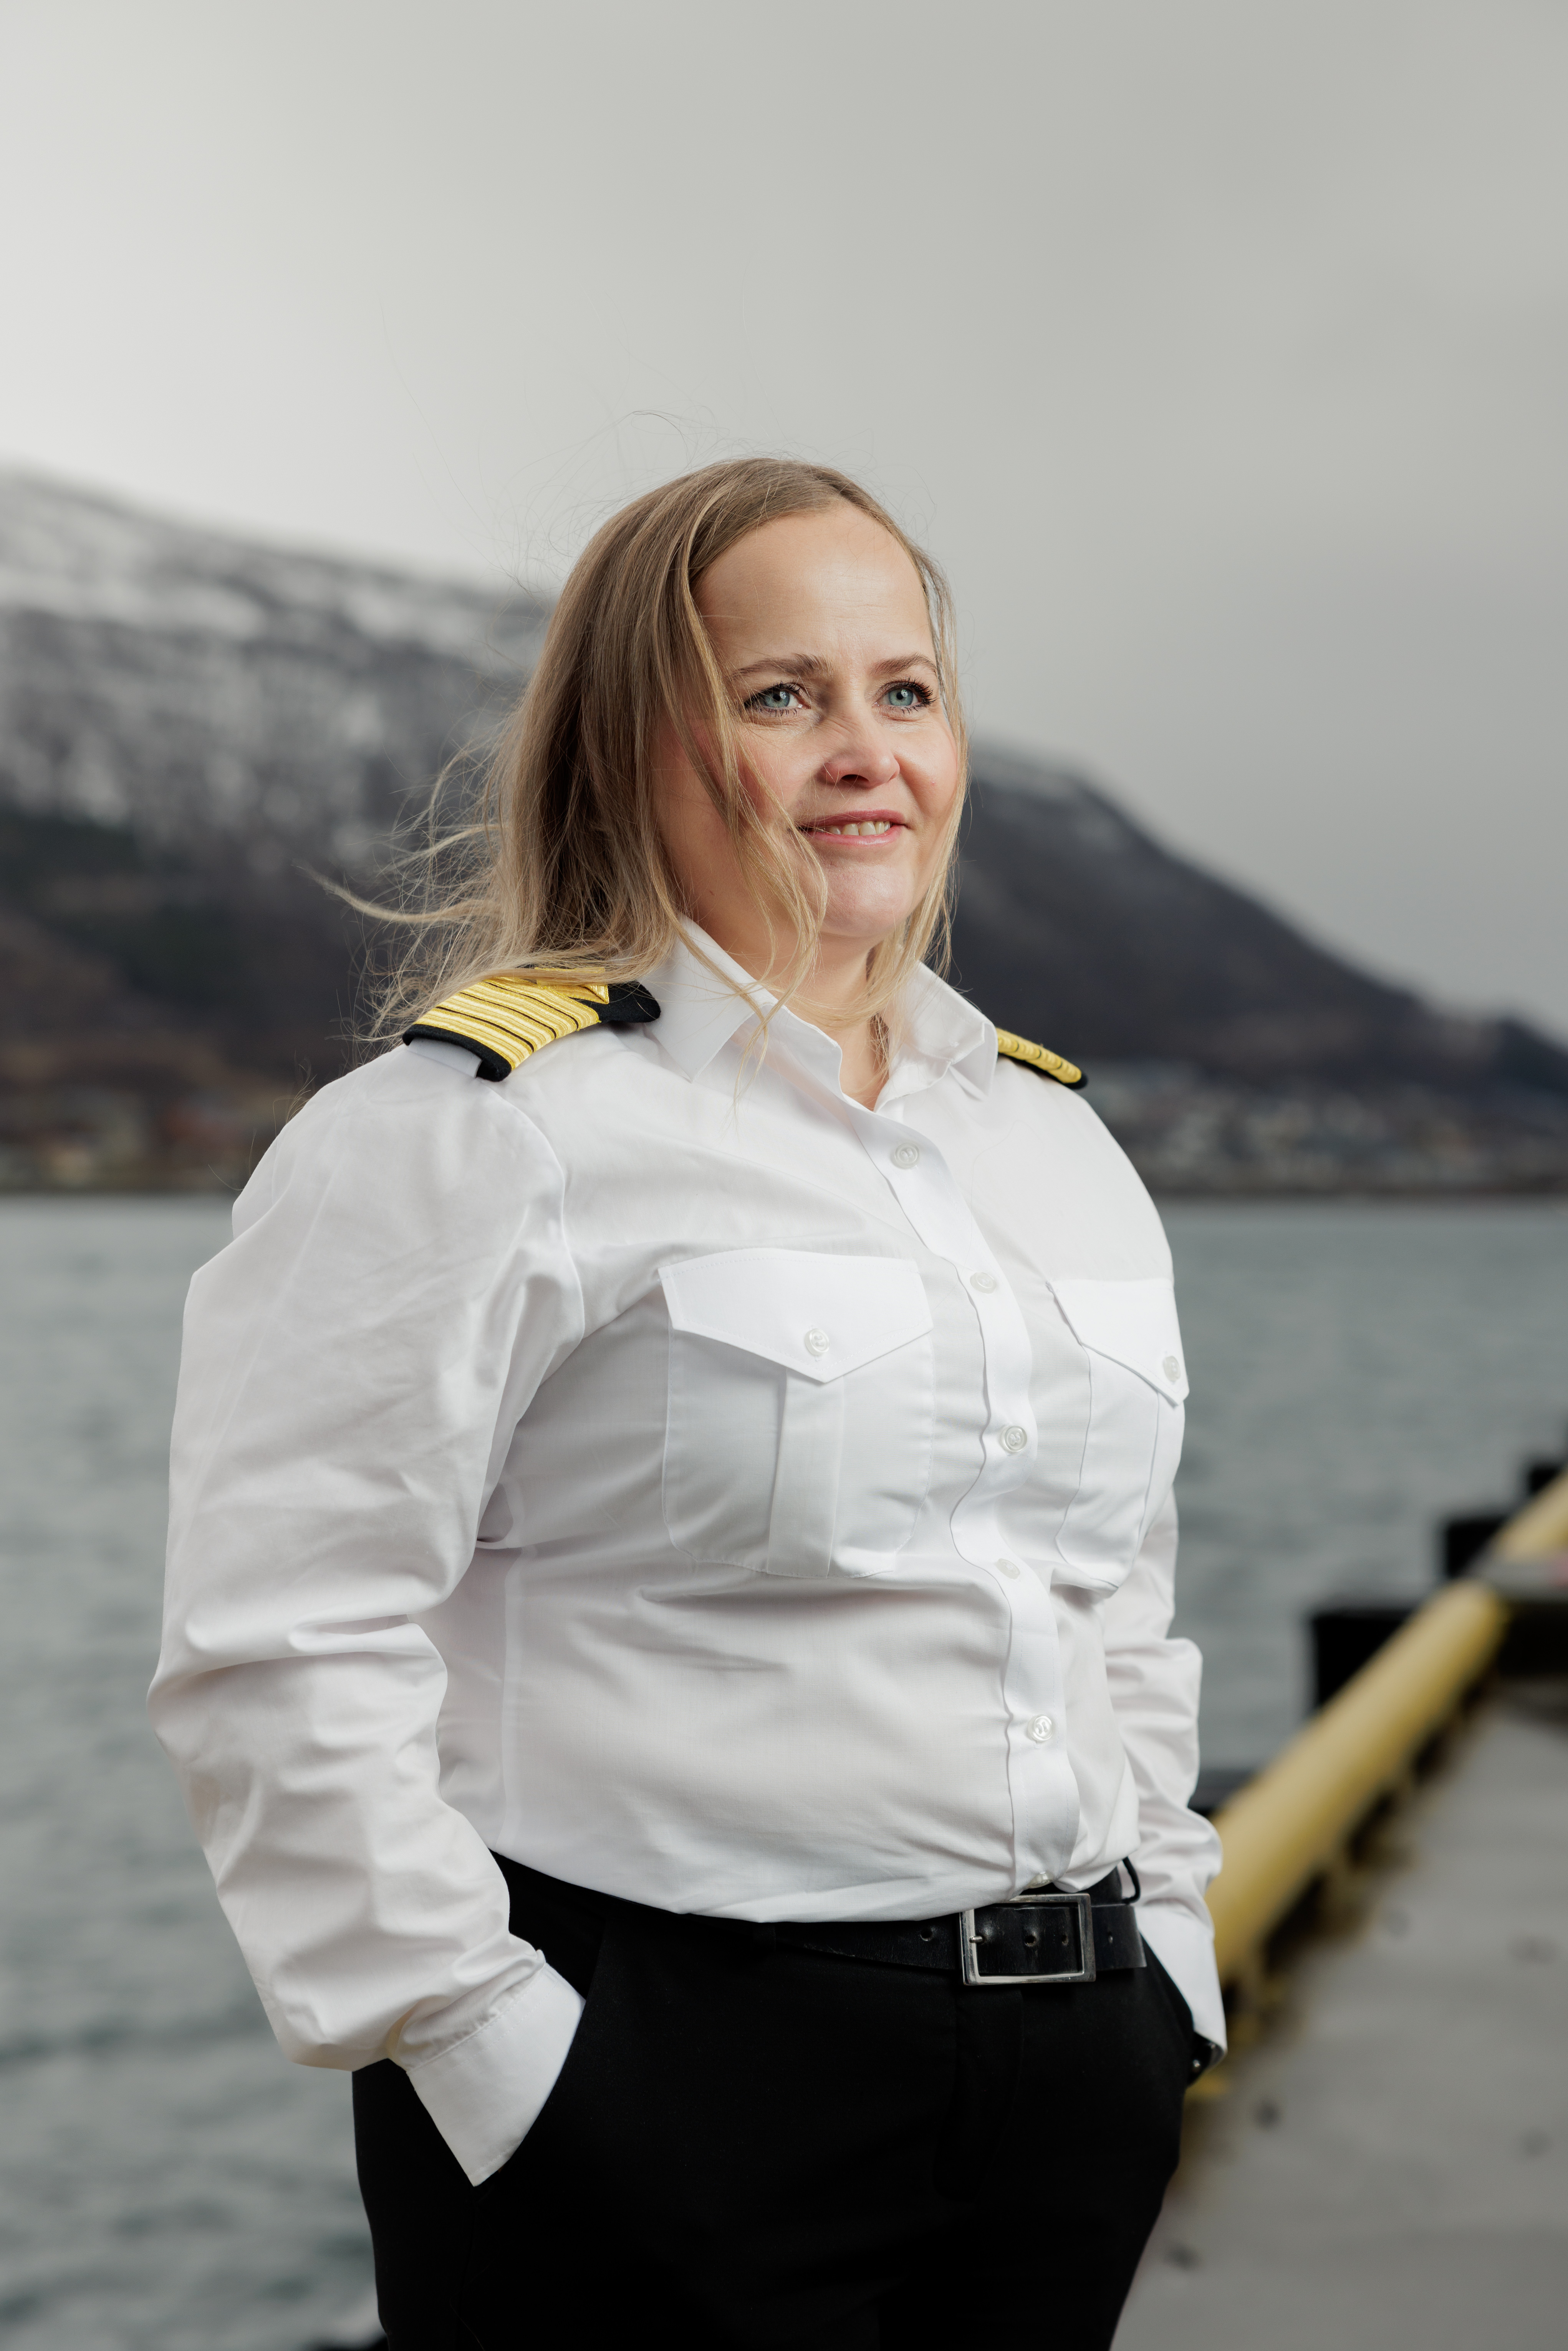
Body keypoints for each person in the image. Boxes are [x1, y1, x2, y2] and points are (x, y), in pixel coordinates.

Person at [151, 457, 1224, 2350]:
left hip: (1065, 2088)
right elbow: (280, 1645)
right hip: (662, 2096)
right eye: (778, 694)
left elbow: (1109, 1597)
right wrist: (497, 2057)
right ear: (632, 748)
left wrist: (1169, 1965)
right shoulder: (474, 1137)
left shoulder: (1052, 1147)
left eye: (904, 691)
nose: (862, 752)